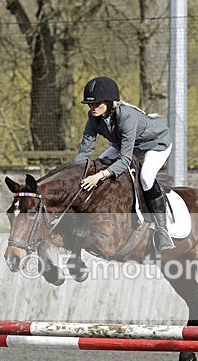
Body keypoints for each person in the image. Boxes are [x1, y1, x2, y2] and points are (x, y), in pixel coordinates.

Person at [76, 76, 174, 252]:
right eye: (90, 104)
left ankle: (162, 230)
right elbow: (85, 151)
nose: (92, 107)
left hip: (156, 144)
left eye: (97, 103)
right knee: (97, 164)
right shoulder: (93, 117)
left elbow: (125, 159)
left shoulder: (126, 116)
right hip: (126, 145)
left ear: (108, 102)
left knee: (145, 177)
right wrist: (76, 173)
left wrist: (99, 176)